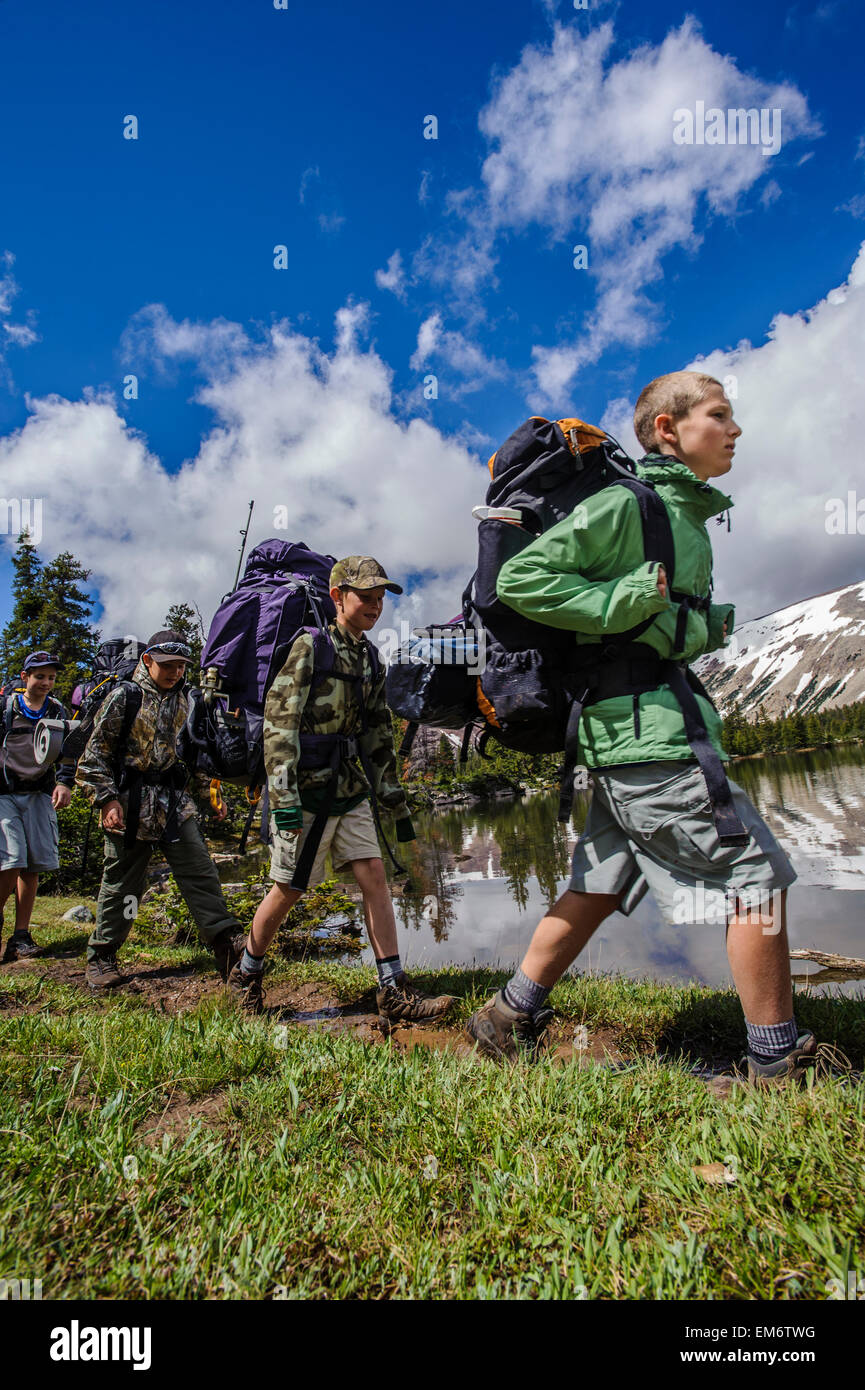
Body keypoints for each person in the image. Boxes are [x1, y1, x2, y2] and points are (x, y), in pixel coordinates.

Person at [467, 372, 815, 1085]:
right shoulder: (631, 504)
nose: (734, 430)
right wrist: (622, 600)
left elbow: (648, 626)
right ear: (666, 429)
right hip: (643, 736)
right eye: (719, 416)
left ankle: (503, 1020)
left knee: (596, 884)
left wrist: (695, 625)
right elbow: (522, 581)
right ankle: (776, 1066)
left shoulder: (683, 517)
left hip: (640, 728)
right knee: (753, 880)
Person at [228, 556, 454, 1023]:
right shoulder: (310, 647)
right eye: (365, 597)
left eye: (380, 599)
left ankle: (392, 989)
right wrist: (285, 798)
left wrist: (393, 798)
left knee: (373, 874)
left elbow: (376, 733)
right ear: (337, 597)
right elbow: (280, 723)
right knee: (289, 889)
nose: (375, 606)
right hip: (305, 789)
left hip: (348, 786)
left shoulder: (371, 658)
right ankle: (245, 974)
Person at [75, 631, 245, 990]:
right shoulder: (125, 697)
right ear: (147, 660)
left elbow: (194, 755)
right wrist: (107, 800)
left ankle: (226, 946)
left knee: (200, 870)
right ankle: (104, 954)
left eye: (182, 666)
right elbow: (93, 758)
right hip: (128, 803)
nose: (176, 673)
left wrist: (210, 795)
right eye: (168, 666)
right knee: (125, 886)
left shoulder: (188, 700)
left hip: (174, 804)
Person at [0, 652, 75, 962]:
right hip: (3, 792)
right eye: (39, 676)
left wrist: (64, 783)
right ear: (25, 676)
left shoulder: (57, 711)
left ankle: (21, 935)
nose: (45, 682)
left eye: (51, 678)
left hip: (39, 793)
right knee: (11, 858)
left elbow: (68, 752)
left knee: (32, 865)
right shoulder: (6, 708)